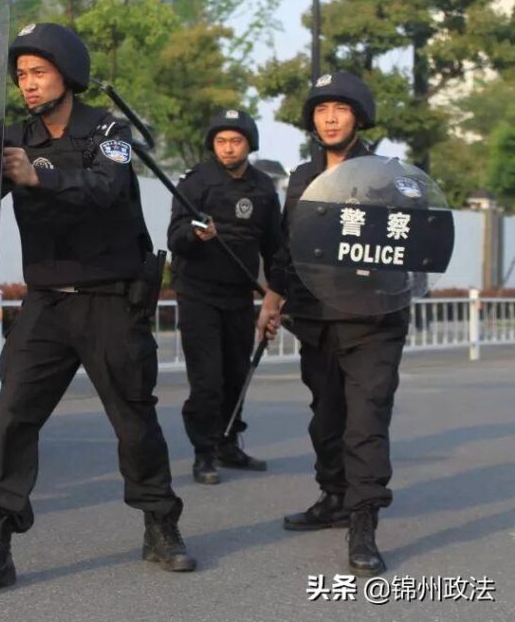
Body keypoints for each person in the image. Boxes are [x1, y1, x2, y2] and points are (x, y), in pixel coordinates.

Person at [0, 23, 195, 599]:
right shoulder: (13, 136)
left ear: (68, 74)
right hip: (45, 306)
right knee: (12, 419)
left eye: (39, 73)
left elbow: (106, 185)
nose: (28, 85)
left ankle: (160, 524)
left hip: (111, 300)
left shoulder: (108, 132)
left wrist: (37, 173)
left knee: (134, 421)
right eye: (22, 76)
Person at [257, 71, 404, 576]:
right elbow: (286, 246)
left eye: (340, 108)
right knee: (327, 418)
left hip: (372, 320)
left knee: (366, 424)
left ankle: (363, 523)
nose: (330, 117)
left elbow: (411, 243)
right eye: (321, 110)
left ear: (359, 116)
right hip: (315, 317)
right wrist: (273, 300)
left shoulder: (387, 174)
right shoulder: (300, 177)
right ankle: (334, 497)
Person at [167, 109, 280, 485]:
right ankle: (204, 452)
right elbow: (175, 236)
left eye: (236, 141)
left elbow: (275, 247)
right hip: (198, 292)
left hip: (239, 294)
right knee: (207, 380)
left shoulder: (264, 187)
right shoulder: (195, 182)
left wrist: (275, 296)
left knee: (236, 373)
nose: (228, 148)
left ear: (249, 144)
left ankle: (229, 443)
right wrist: (194, 235)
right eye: (221, 141)